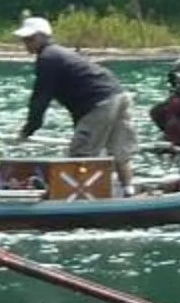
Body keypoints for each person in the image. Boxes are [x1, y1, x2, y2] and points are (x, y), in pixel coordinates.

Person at [13, 14, 140, 194]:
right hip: (118, 94)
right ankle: (129, 191)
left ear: (44, 37)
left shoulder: (48, 58)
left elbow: (40, 99)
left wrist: (29, 129)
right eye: (24, 39)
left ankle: (82, 198)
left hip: (100, 103)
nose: (26, 43)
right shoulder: (60, 53)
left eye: (30, 39)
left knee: (80, 157)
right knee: (120, 152)